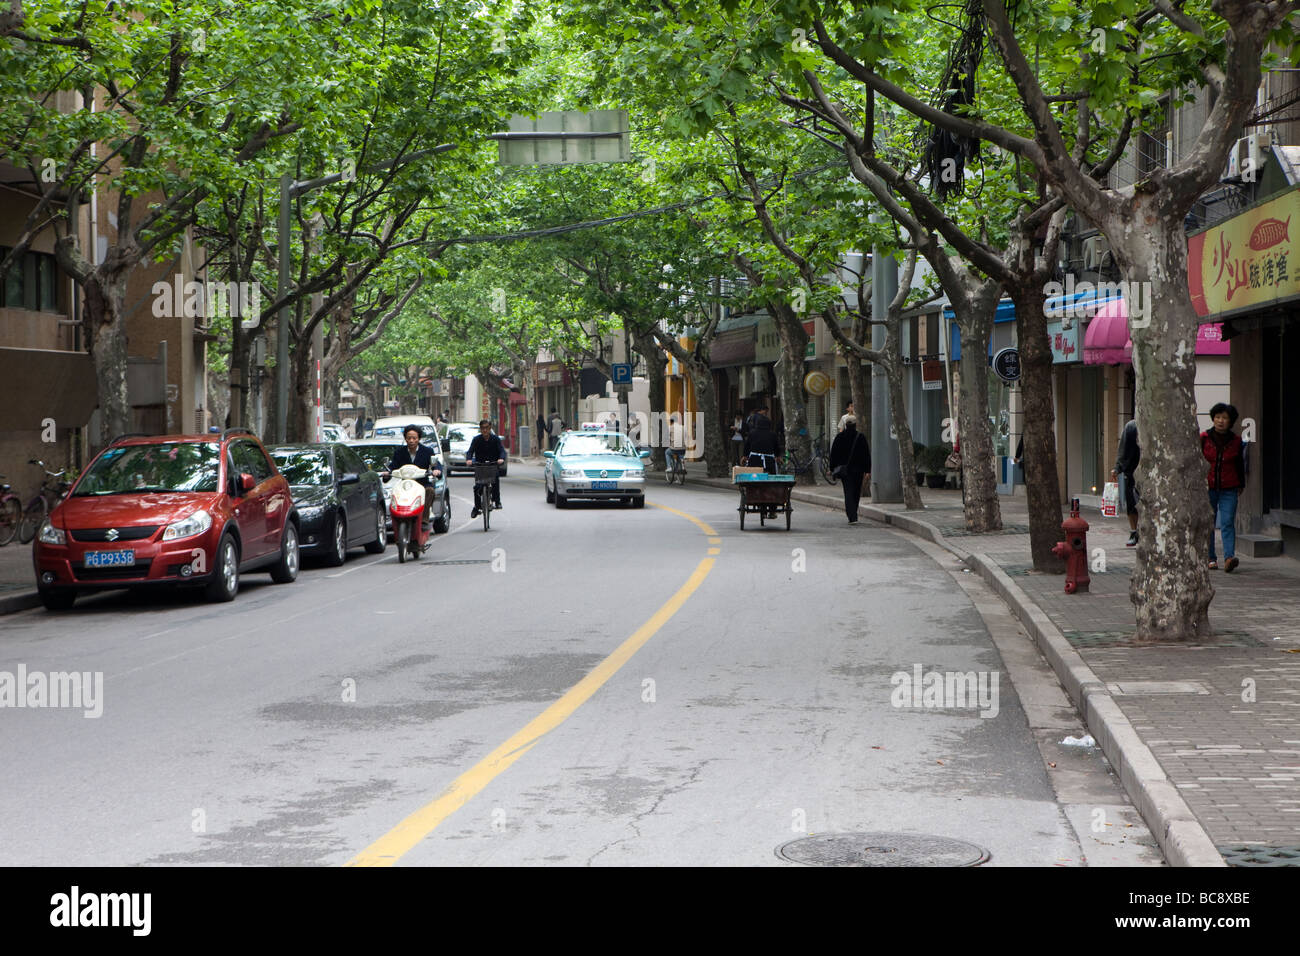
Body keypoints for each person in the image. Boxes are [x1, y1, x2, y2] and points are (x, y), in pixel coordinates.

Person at [1202, 402, 1247, 573]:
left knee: (1228, 522)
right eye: (1218, 417)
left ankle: (1229, 557)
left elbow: (1239, 464)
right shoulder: (1204, 438)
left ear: (1231, 421)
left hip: (1229, 488)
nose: (1221, 421)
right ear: (1213, 418)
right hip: (1208, 487)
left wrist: (1241, 484)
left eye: (1225, 418)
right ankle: (1210, 558)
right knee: (1209, 523)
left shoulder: (1236, 441)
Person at [385, 425, 444, 528]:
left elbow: (436, 464)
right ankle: (398, 520)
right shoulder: (399, 452)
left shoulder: (428, 451)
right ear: (405, 438)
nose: (411, 441)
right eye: (409, 438)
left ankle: (424, 521)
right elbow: (392, 466)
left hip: (422, 484)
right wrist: (387, 473)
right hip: (405, 485)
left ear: (419, 438)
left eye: (414, 438)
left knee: (430, 491)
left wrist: (437, 470)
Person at [829, 415, 872, 523]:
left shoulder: (839, 437)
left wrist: (832, 468)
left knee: (848, 491)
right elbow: (866, 454)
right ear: (855, 425)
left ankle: (852, 516)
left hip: (845, 471)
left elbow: (833, 454)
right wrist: (867, 470)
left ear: (846, 425)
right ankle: (853, 513)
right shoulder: (860, 437)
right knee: (856, 492)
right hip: (858, 470)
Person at [466, 419, 506, 517]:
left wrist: (501, 458)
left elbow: (502, 451)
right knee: (477, 487)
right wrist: (469, 459)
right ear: (480, 429)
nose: (485, 430)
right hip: (480, 466)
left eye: (487, 428)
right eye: (483, 428)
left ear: (490, 428)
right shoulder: (476, 440)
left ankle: (497, 501)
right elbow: (470, 451)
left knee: (495, 480)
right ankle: (476, 507)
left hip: (492, 465)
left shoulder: (496, 439)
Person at [1111, 418, 1140, 547]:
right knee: (1132, 504)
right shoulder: (1131, 427)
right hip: (1131, 471)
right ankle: (1134, 531)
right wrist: (1118, 468)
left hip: (1150, 472)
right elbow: (1122, 450)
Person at [743, 409, 780, 475]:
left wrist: (745, 456)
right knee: (771, 475)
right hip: (769, 461)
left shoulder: (752, 433)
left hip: (754, 460)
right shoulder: (772, 434)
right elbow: (776, 446)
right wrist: (777, 456)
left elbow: (747, 445)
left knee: (752, 475)